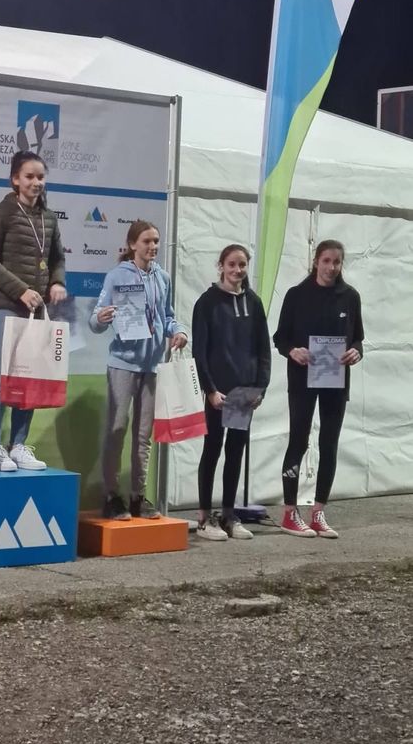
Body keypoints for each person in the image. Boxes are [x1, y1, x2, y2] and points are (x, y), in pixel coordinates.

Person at [90, 220, 187, 520]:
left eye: (156, 241)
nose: (153, 246)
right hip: (123, 364)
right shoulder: (116, 276)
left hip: (152, 366)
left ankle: (138, 496)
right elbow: (95, 320)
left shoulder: (163, 277)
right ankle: (111, 495)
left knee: (144, 435)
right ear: (133, 244)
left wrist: (179, 331)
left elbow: (167, 316)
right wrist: (101, 318)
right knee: (117, 429)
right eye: (147, 241)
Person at [0, 150, 67, 472]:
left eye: (40, 177)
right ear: (15, 179)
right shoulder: (0, 213)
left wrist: (56, 282)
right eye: (29, 176)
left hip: (36, 314)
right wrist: (21, 290)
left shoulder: (49, 218)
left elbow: (57, 258)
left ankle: (18, 445)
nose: (36, 182)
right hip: (6, 309)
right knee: (1, 380)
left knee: (29, 380)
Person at [273, 239, 364, 538]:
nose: (331, 267)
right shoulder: (296, 295)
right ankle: (290, 512)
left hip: (335, 382)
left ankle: (318, 512)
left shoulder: (350, 297)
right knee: (298, 441)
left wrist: (356, 352)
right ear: (316, 262)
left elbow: (358, 338)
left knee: (329, 443)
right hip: (303, 379)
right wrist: (293, 351)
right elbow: (280, 338)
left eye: (337, 262)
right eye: (326, 261)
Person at [192, 244, 271, 541]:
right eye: (232, 264)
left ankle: (228, 515)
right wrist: (210, 390)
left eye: (242, 265)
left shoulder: (254, 302)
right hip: (218, 394)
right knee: (212, 448)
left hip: (244, 395)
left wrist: (261, 388)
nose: (237, 270)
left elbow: (263, 349)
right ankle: (204, 517)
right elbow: (200, 352)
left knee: (236, 451)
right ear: (221, 266)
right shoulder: (207, 303)